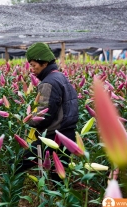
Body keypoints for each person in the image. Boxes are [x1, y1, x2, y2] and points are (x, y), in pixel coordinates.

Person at [17, 42, 79, 181]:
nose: (31, 69)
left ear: (44, 63)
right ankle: (64, 202)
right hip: (67, 135)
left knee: (16, 164)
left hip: (53, 136)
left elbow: (44, 115)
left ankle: (11, 195)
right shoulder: (60, 77)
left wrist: (27, 120)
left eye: (33, 65)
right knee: (58, 177)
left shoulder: (48, 82)